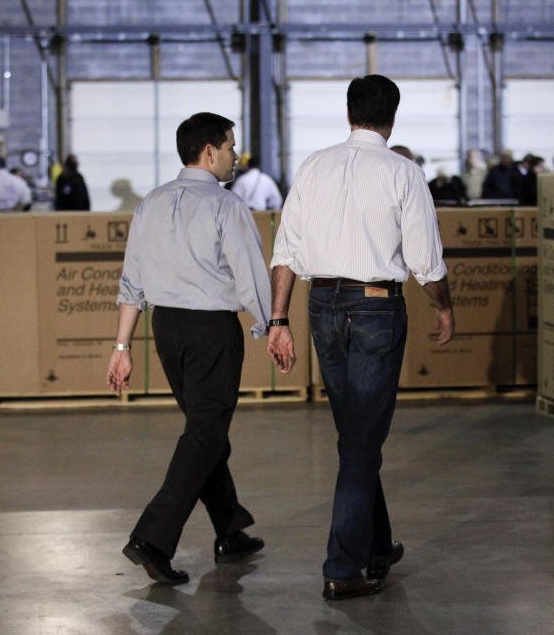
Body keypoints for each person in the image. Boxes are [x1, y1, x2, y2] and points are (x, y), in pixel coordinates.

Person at [266, 74, 454, 601]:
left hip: (321, 307)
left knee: (356, 436)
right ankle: (343, 568)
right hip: (375, 309)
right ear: (393, 118)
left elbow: (285, 251)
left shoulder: (313, 166)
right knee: (361, 443)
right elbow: (425, 260)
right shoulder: (403, 172)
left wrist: (278, 321)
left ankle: (376, 545)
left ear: (348, 113)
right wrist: (445, 308)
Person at [108, 112, 271, 586]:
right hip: (211, 331)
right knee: (204, 434)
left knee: (206, 430)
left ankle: (230, 529)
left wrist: (122, 345)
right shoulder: (226, 205)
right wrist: (271, 324)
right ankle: (153, 538)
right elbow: (249, 271)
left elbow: (131, 282)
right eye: (230, 146)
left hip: (168, 330)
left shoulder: (149, 205)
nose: (235, 155)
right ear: (208, 152)